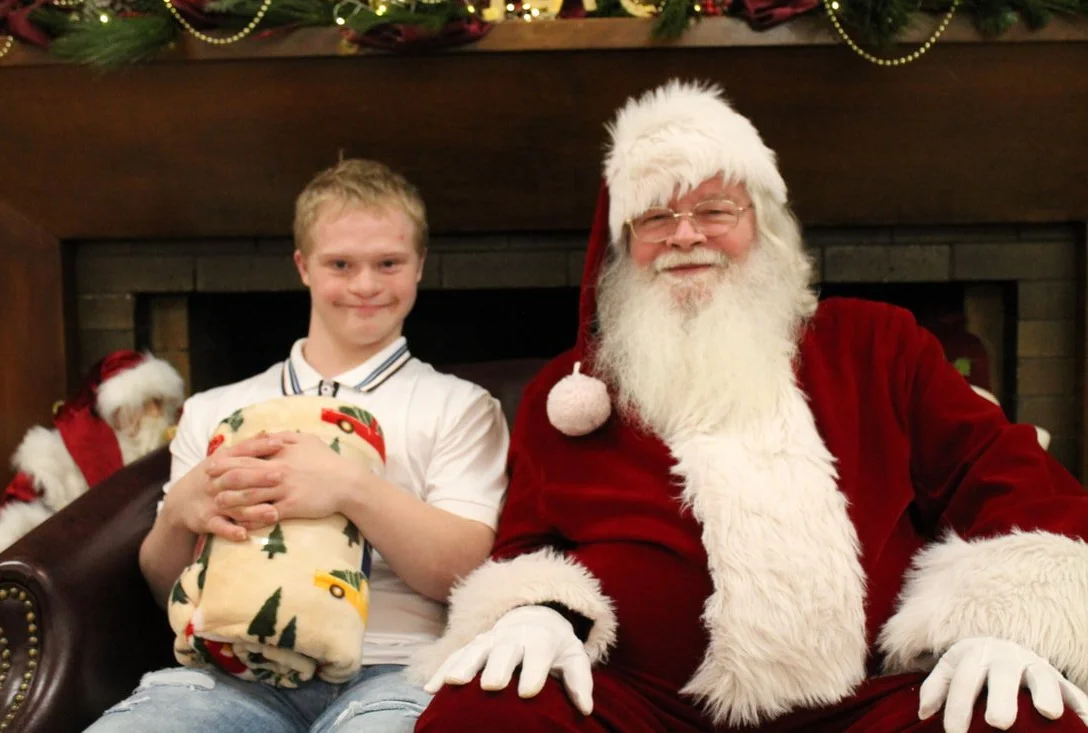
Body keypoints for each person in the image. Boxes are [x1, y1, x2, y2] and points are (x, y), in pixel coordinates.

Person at [411, 80, 1088, 733]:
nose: (684, 236)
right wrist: (539, 612)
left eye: (714, 210)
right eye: (655, 217)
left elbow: (1011, 479)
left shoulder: (878, 344)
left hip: (867, 703)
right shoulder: (572, 391)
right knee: (485, 710)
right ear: (624, 247)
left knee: (1020, 713)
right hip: (638, 703)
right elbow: (529, 544)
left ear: (761, 225)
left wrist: (1007, 627)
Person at [85, 159, 510, 733]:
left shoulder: (459, 406)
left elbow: (466, 570)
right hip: (229, 672)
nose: (366, 285)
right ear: (303, 267)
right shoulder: (215, 409)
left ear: (419, 267)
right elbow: (167, 585)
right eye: (341, 264)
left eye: (389, 263)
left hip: (396, 668)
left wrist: (349, 488)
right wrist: (182, 512)